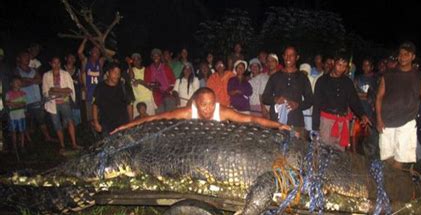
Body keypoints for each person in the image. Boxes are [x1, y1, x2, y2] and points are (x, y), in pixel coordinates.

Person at [111, 87, 291, 134]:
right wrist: (125, 126)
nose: (208, 109)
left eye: (211, 104)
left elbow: (252, 119)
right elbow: (156, 117)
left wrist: (278, 125)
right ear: (196, 104)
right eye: (204, 105)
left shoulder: (222, 112)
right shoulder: (188, 112)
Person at [375, 42, 421, 169]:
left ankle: (394, 186)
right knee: (387, 157)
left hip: (407, 121)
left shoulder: (419, 76)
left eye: (406, 54)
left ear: (413, 56)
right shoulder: (389, 74)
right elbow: (379, 97)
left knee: (400, 158)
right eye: (400, 54)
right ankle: (390, 182)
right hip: (387, 120)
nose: (402, 57)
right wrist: (379, 119)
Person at [312, 54, 371, 151]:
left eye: (344, 66)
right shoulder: (322, 81)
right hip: (326, 122)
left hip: (342, 123)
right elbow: (316, 105)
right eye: (339, 65)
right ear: (333, 63)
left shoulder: (347, 82)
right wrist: (315, 127)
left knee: (339, 155)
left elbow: (354, 100)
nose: (341, 69)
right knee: (323, 152)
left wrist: (363, 114)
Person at [261, 46, 313, 134]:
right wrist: (275, 99)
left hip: (296, 122)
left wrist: (298, 105)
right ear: (283, 57)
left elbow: (310, 99)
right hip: (276, 123)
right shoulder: (275, 77)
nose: (288, 58)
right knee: (275, 147)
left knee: (295, 147)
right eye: (286, 55)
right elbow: (265, 98)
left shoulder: (302, 78)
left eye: (291, 55)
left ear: (297, 57)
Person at [42, 56, 81, 153]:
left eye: (58, 63)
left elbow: (69, 90)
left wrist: (55, 90)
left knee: (70, 121)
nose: (56, 65)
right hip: (52, 104)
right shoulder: (46, 75)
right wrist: (62, 91)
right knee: (57, 125)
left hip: (64, 102)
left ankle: (74, 143)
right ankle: (62, 145)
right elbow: (46, 92)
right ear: (51, 63)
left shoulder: (65, 74)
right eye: (54, 63)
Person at [16, 51, 54, 142]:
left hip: (36, 99)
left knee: (41, 120)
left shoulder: (34, 69)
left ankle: (47, 137)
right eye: (24, 56)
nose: (27, 58)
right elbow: (19, 84)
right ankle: (26, 141)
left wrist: (27, 80)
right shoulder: (17, 70)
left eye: (28, 57)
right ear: (19, 58)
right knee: (25, 121)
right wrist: (33, 80)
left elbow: (39, 81)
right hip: (23, 101)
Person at [92, 63, 133, 137]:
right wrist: (96, 122)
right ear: (108, 73)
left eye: (118, 73)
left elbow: (129, 105)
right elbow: (95, 105)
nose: (117, 76)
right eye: (114, 72)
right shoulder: (100, 87)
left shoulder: (124, 86)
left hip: (122, 125)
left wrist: (130, 122)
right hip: (106, 126)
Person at [77, 39, 105, 122]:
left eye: (98, 51)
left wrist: (99, 45)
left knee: (100, 116)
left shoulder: (100, 62)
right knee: (90, 117)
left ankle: (101, 133)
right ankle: (92, 133)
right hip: (88, 92)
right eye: (94, 50)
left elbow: (112, 53)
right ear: (90, 52)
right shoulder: (86, 61)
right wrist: (85, 40)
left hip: (99, 93)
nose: (96, 52)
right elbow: (79, 52)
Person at [144, 48, 176, 114]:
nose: (156, 57)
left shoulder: (166, 67)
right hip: (157, 99)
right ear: (151, 57)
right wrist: (155, 85)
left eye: (157, 55)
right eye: (154, 56)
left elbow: (173, 81)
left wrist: (167, 90)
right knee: (160, 119)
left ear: (160, 57)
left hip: (168, 96)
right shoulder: (148, 69)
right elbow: (147, 83)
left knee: (170, 117)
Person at [127, 53, 156, 117]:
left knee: (150, 121)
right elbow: (131, 77)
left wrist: (140, 81)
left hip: (148, 99)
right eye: (134, 60)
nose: (136, 61)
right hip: (137, 100)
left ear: (141, 60)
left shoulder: (147, 70)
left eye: (138, 59)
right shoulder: (131, 70)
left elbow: (151, 86)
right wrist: (129, 64)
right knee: (137, 123)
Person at [5, 77, 27, 153]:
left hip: (21, 115)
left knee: (22, 131)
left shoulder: (23, 93)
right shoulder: (8, 94)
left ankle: (22, 146)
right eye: (16, 82)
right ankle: (14, 147)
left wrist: (13, 104)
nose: (18, 84)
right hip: (12, 116)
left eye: (19, 82)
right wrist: (17, 104)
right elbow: (8, 104)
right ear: (12, 84)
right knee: (13, 132)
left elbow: (23, 104)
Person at [64, 53, 82, 125]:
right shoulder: (62, 69)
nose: (72, 59)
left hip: (76, 94)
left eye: (73, 58)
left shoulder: (77, 70)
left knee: (76, 113)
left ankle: (78, 128)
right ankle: (66, 129)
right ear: (66, 58)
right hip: (64, 95)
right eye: (70, 57)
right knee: (66, 113)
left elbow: (81, 82)